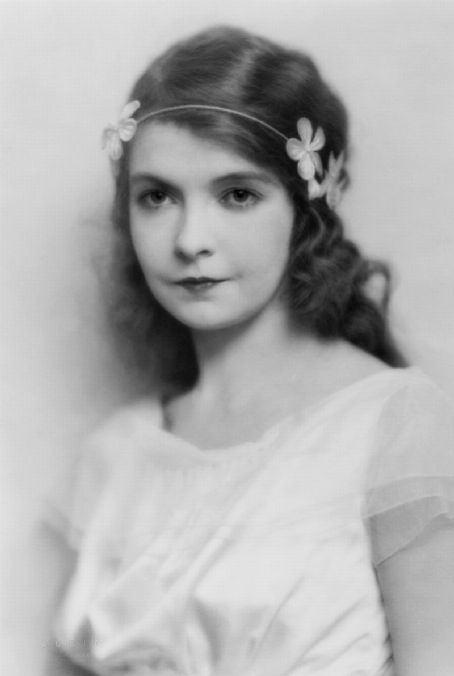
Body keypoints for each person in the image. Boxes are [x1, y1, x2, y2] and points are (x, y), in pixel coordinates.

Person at [45, 25, 454, 676]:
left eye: (237, 195)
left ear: (304, 211)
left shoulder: (394, 425)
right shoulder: (113, 457)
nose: (190, 240)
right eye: (157, 197)